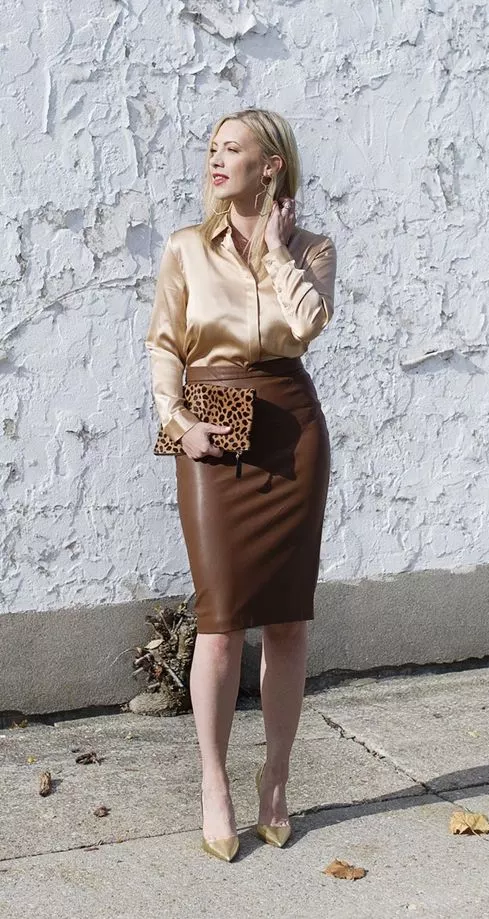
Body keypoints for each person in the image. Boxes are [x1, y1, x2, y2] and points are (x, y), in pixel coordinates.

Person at [144, 108, 337, 862]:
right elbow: (164, 344)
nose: (217, 160)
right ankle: (214, 780)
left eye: (234, 149)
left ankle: (278, 779)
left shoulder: (313, 246)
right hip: (211, 417)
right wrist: (177, 422)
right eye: (213, 148)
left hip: (291, 424)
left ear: (271, 166)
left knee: (288, 621)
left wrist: (277, 251)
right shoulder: (186, 249)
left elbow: (308, 324)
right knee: (221, 622)